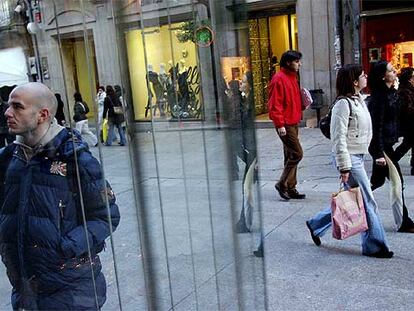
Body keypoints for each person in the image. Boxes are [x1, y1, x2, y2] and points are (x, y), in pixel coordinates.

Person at [0, 82, 120, 310]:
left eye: (17, 107)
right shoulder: (8, 160)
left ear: (42, 115)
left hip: (71, 289)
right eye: (9, 106)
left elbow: (107, 216)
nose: (7, 113)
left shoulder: (76, 159)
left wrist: (63, 247)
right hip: (25, 289)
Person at [306, 64, 393, 258]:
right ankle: (375, 245)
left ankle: (315, 223)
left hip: (358, 156)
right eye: (362, 75)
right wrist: (344, 167)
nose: (366, 77)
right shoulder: (343, 105)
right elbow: (338, 139)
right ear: (354, 81)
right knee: (368, 201)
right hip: (350, 158)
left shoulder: (359, 100)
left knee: (352, 200)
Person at [367, 61, 414, 233]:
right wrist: (378, 153)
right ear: (382, 76)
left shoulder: (392, 93)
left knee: (374, 183)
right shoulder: (378, 98)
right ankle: (404, 222)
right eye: (390, 70)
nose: (395, 71)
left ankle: (326, 216)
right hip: (383, 147)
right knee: (397, 181)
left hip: (388, 144)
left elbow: (398, 119)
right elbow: (376, 129)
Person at [268, 50, 306, 200]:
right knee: (297, 153)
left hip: (293, 120)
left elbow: (291, 100)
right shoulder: (278, 79)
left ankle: (291, 187)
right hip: (286, 123)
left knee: (290, 155)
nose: (299, 64)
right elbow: (274, 104)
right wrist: (280, 124)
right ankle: (282, 183)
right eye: (297, 61)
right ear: (288, 62)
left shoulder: (292, 77)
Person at [394, 67, 414, 175]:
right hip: (409, 123)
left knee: (408, 143)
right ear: (409, 79)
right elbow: (407, 108)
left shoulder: (409, 89)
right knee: (407, 144)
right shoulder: (405, 91)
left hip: (410, 123)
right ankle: (392, 161)